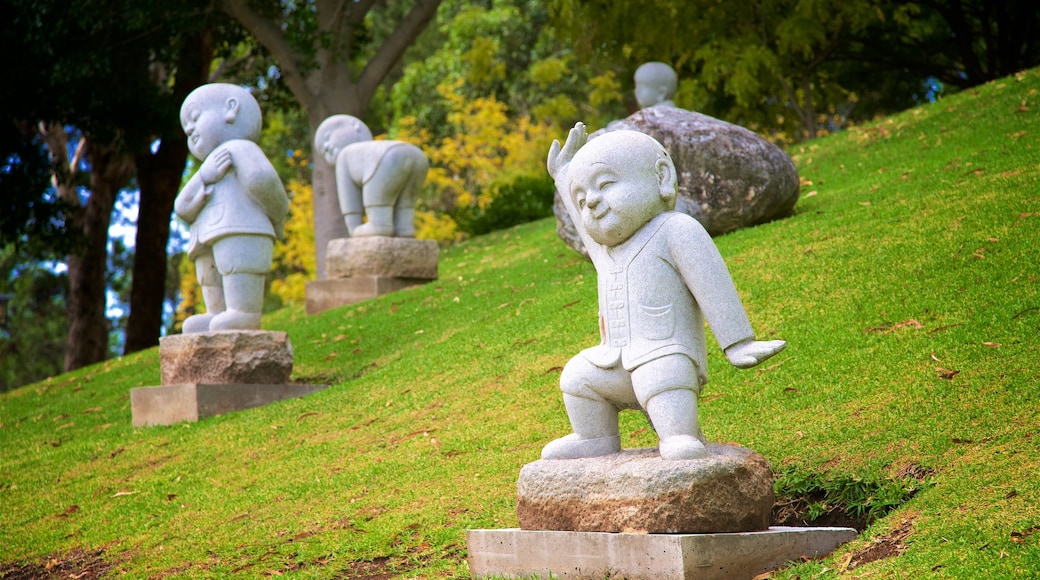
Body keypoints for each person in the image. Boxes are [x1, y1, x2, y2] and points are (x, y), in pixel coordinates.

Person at [544, 122, 785, 460]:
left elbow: (712, 284)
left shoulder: (676, 230)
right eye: (583, 200)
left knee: (663, 377)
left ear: (662, 177)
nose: (592, 203)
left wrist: (738, 342)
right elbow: (584, 230)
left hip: (664, 353)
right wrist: (563, 175)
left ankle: (677, 434)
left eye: (606, 185)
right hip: (613, 361)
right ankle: (594, 437)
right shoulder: (606, 251)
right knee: (577, 376)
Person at [174, 83, 289, 333]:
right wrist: (205, 176)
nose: (191, 129)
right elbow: (181, 207)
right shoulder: (206, 169)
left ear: (231, 109)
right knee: (210, 272)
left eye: (194, 119)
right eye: (186, 129)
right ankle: (216, 312)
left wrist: (278, 215)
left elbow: (262, 180)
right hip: (207, 234)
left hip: (242, 225)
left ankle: (243, 312)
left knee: (237, 263)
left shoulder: (241, 149)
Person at [314, 115, 428, 238]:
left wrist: (354, 228)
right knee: (406, 206)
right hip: (418, 156)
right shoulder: (367, 149)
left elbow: (349, 200)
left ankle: (379, 224)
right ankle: (405, 227)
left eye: (326, 140)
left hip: (385, 157)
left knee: (379, 218)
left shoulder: (344, 156)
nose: (326, 147)